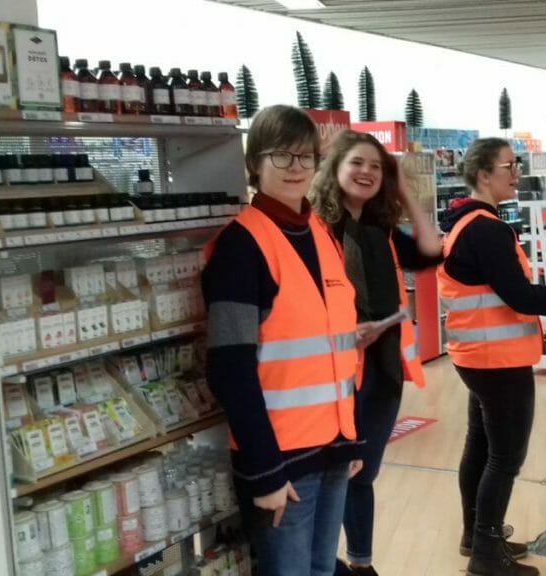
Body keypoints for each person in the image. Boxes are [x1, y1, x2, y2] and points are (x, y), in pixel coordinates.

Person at [202, 105, 363, 576]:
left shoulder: (321, 234)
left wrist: (350, 441)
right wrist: (265, 469)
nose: (296, 169)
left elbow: (337, 349)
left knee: (321, 570)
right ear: (254, 165)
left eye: (306, 158)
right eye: (281, 157)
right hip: (282, 462)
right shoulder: (240, 246)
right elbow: (229, 368)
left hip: (332, 448)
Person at [438, 137, 546, 576]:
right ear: (482, 174)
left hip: (476, 356)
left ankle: (476, 535)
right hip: (497, 359)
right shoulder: (486, 229)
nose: (517, 174)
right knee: (505, 457)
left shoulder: (463, 224)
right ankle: (487, 557)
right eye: (509, 166)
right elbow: (521, 298)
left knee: (481, 446)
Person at [309, 130, 442, 576]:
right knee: (336, 473)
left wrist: (403, 189)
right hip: (337, 374)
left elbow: (430, 250)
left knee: (362, 474)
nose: (367, 172)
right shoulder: (316, 228)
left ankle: (362, 563)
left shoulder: (379, 228)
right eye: (357, 163)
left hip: (382, 372)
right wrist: (344, 332)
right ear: (335, 169)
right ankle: (325, 564)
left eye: (376, 166)